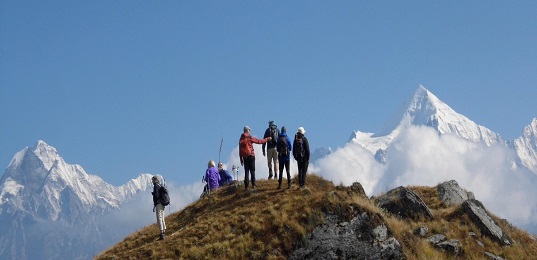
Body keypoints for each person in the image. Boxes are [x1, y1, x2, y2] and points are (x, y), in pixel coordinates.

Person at [239, 126, 271, 190]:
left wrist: (241, 159)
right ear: (247, 130)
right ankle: (253, 185)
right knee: (252, 171)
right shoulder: (250, 137)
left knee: (246, 171)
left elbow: (240, 150)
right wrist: (267, 139)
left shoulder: (241, 139)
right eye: (249, 130)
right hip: (251, 155)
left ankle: (246, 187)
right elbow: (259, 141)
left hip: (245, 157)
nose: (250, 131)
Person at [151, 176, 167, 240]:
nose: (152, 181)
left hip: (158, 204)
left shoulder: (155, 186)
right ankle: (164, 231)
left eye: (152, 180)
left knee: (159, 218)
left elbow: (156, 195)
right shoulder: (160, 186)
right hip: (163, 204)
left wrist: (154, 195)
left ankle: (161, 233)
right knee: (162, 218)